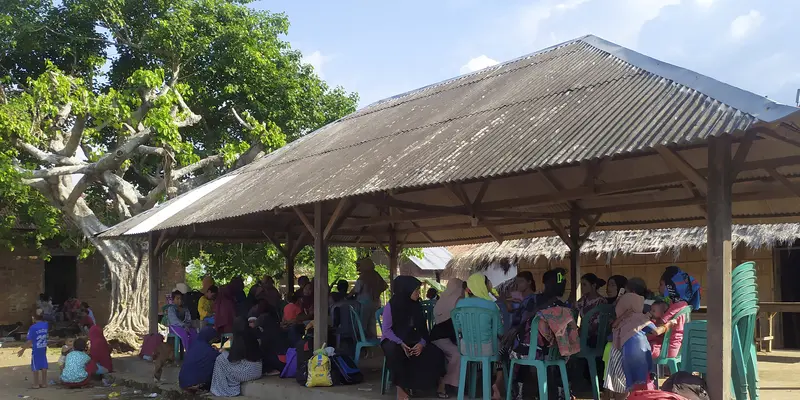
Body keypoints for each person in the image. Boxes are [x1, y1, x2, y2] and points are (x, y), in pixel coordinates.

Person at [381, 276, 447, 400]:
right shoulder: (391, 306)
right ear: (406, 290)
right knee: (395, 352)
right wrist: (400, 342)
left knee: (436, 352)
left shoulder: (416, 306)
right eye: (416, 290)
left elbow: (423, 329)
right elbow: (386, 330)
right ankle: (400, 389)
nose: (418, 293)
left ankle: (439, 385)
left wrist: (422, 343)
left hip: (413, 339)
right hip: (394, 339)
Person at [605, 278, 658, 397]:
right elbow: (656, 331)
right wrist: (669, 325)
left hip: (618, 352)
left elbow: (613, 327)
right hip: (636, 356)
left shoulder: (625, 316)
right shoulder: (643, 314)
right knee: (630, 384)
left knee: (619, 385)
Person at [649, 266, 700, 359]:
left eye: (661, 284)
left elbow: (662, 323)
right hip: (680, 344)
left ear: (671, 286)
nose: (658, 287)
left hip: (672, 346)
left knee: (648, 346)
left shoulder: (677, 305)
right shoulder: (682, 303)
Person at [210, 318, 263, 397]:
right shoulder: (252, 333)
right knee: (223, 359)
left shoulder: (237, 337)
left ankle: (224, 389)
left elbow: (234, 360)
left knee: (220, 359)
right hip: (258, 370)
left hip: (248, 372)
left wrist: (223, 350)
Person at [430, 278, 464, 390]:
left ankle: (457, 383)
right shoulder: (459, 301)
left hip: (437, 335)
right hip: (442, 337)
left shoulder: (442, 299)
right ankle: (444, 383)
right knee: (457, 354)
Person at [352, 258, 388, 339]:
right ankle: (373, 344)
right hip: (375, 303)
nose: (358, 267)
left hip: (365, 304)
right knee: (372, 324)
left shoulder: (364, 276)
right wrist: (377, 292)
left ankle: (363, 343)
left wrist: (348, 295)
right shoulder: (376, 274)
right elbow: (385, 286)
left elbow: (357, 289)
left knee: (363, 325)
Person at [179, 326, 219, 392]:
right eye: (213, 340)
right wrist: (219, 351)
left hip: (183, 383)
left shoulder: (194, 345)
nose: (213, 342)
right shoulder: (209, 351)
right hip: (195, 385)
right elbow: (221, 358)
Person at [18, 309, 49, 388]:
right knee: (44, 364)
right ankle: (44, 383)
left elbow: (30, 341)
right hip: (43, 347)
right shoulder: (46, 324)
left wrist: (22, 350)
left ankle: (36, 384)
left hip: (36, 348)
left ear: (33, 318)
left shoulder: (33, 327)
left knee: (35, 366)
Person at [574, 273, 608, 343]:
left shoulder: (601, 301)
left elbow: (599, 323)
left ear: (593, 285)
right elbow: (573, 310)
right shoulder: (583, 300)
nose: (582, 287)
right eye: (581, 285)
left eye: (584, 284)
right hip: (583, 334)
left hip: (596, 337)